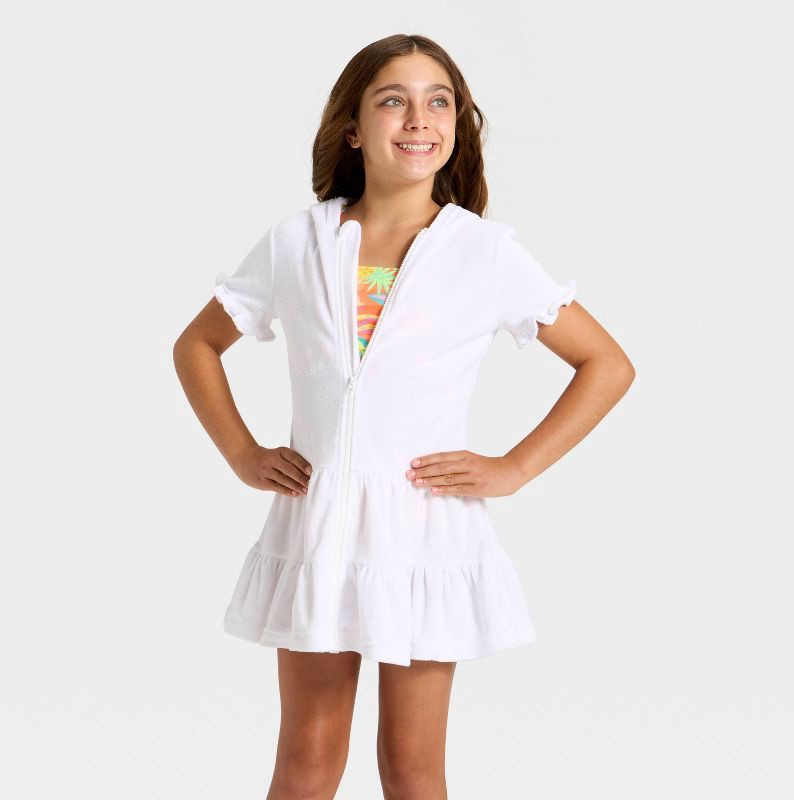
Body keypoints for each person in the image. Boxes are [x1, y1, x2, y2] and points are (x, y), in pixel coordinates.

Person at [173, 33, 635, 800]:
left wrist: (515, 468)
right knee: (306, 762)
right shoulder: (296, 243)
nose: (419, 119)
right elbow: (197, 344)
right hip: (318, 531)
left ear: (457, 124)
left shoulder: (483, 252)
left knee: (411, 768)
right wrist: (242, 453)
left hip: (423, 535)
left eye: (438, 102)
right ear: (353, 127)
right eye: (394, 100)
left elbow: (607, 364)